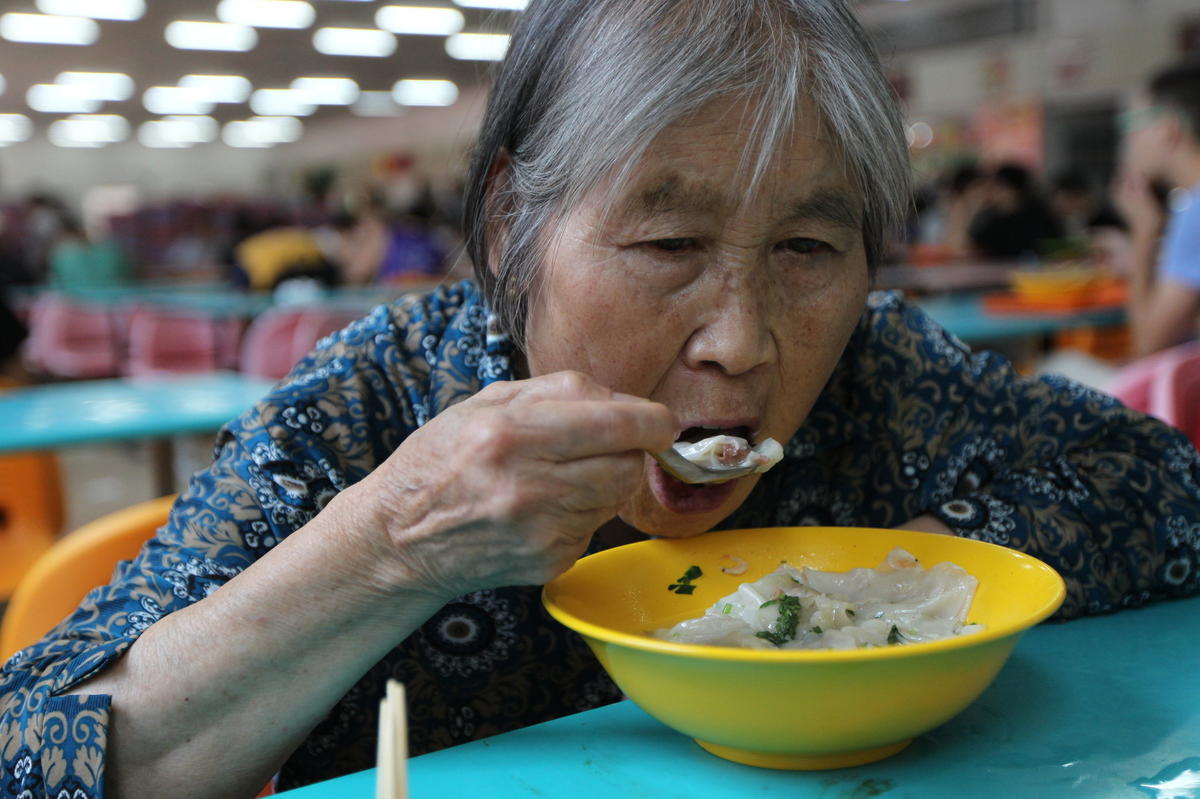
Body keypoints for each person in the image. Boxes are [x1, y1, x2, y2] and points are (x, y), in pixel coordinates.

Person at [3, 2, 1199, 797]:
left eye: (806, 251)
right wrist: (389, 544)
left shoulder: (887, 376)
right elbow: (30, 750)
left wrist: (897, 591)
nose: (739, 342)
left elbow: (1162, 488)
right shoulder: (368, 410)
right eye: (669, 238)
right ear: (516, 218)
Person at [1114, 59, 1200, 357]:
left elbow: (1149, 343)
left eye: (1131, 124)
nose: (1128, 141)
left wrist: (1143, 232)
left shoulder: (1195, 213)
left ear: (1167, 127)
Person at [964, 162, 1064, 260]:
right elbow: (972, 246)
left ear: (1014, 189)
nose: (992, 193)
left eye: (998, 187)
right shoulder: (991, 217)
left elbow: (1054, 246)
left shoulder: (1039, 216)